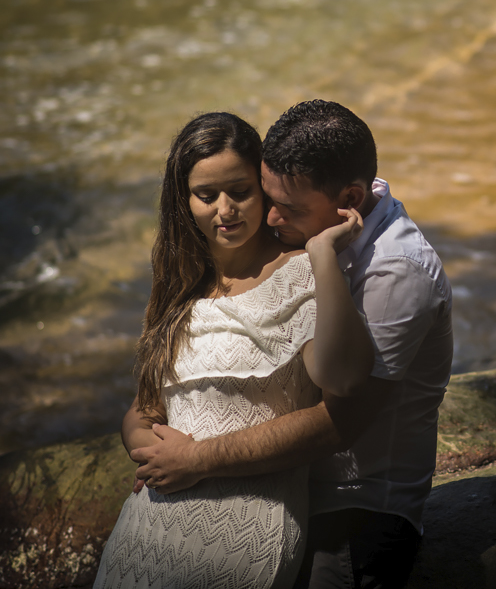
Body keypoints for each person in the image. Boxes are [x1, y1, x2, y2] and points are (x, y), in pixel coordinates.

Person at [129, 100, 454, 589]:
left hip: (354, 504)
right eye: (269, 195)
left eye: (289, 208)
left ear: (351, 197)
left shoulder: (395, 271)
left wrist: (195, 460)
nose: (273, 218)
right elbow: (147, 402)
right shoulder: (208, 270)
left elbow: (338, 421)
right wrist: (148, 448)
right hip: (282, 487)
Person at [93, 112, 375, 589]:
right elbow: (146, 409)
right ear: (184, 202)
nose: (225, 209)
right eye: (206, 196)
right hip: (148, 525)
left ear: (263, 188)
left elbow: (346, 383)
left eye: (240, 191)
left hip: (245, 527)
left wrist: (324, 256)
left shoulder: (303, 274)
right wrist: (149, 450)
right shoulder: (180, 286)